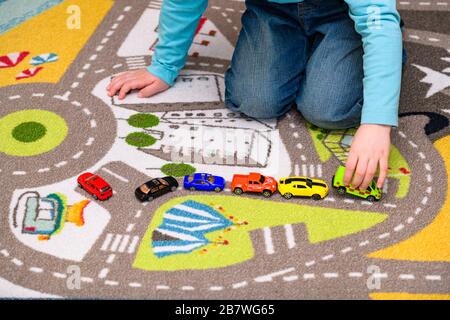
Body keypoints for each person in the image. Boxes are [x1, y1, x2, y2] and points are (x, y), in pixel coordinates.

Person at [107, 0, 405, 191]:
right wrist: (164, 65)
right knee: (254, 100)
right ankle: (309, 49)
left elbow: (377, 21)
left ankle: (356, 53)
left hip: (342, 13)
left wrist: (377, 122)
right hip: (273, 11)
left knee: (327, 109)